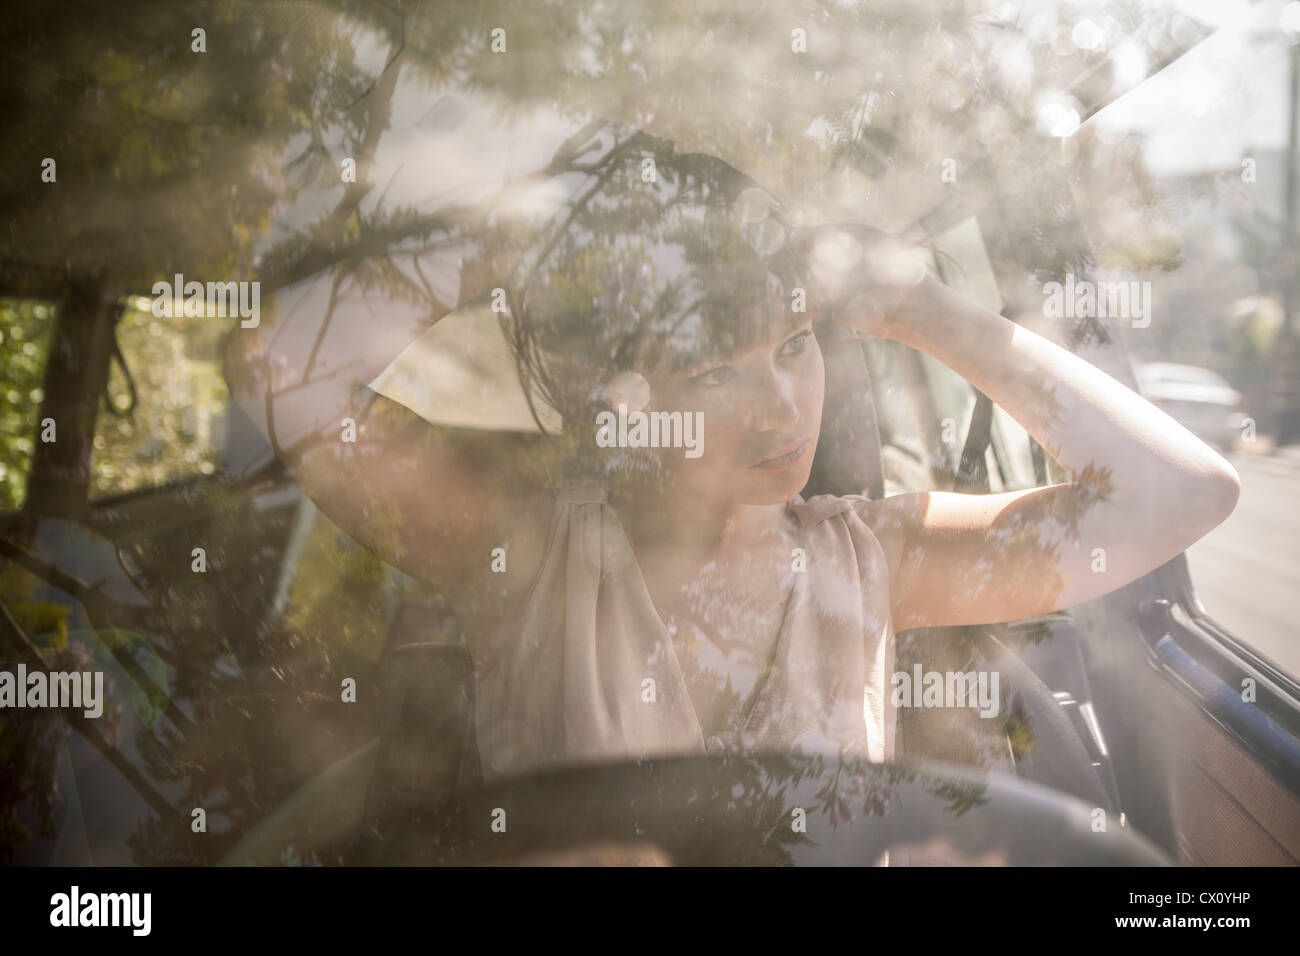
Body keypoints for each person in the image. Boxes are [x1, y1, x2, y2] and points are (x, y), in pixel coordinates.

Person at [223, 120, 1240, 787]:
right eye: (713, 372)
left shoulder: (873, 557)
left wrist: (924, 308)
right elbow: (277, 365)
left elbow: (1178, 492)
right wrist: (521, 248)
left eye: (795, 346)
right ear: (615, 397)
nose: (780, 409)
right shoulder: (524, 553)